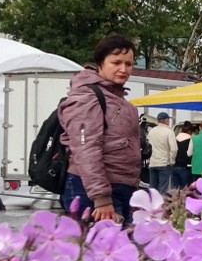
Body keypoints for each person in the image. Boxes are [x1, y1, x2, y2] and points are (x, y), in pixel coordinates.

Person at [59, 34, 142, 223]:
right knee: (98, 250)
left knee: (119, 250)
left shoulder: (117, 98)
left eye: (128, 64)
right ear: (100, 63)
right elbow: (85, 148)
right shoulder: (88, 96)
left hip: (119, 189)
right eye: (116, 62)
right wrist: (101, 198)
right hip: (94, 192)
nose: (124, 69)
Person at [146, 112, 179, 194]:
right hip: (164, 164)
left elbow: (148, 146)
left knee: (152, 188)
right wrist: (171, 161)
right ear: (166, 120)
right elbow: (174, 149)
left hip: (152, 163)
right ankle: (161, 205)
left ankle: (152, 205)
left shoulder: (151, 131)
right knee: (163, 189)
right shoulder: (169, 132)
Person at [173, 121, 194, 188]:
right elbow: (190, 154)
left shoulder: (174, 139)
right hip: (186, 167)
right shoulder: (191, 139)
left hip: (174, 166)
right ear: (190, 131)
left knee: (176, 191)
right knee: (185, 190)